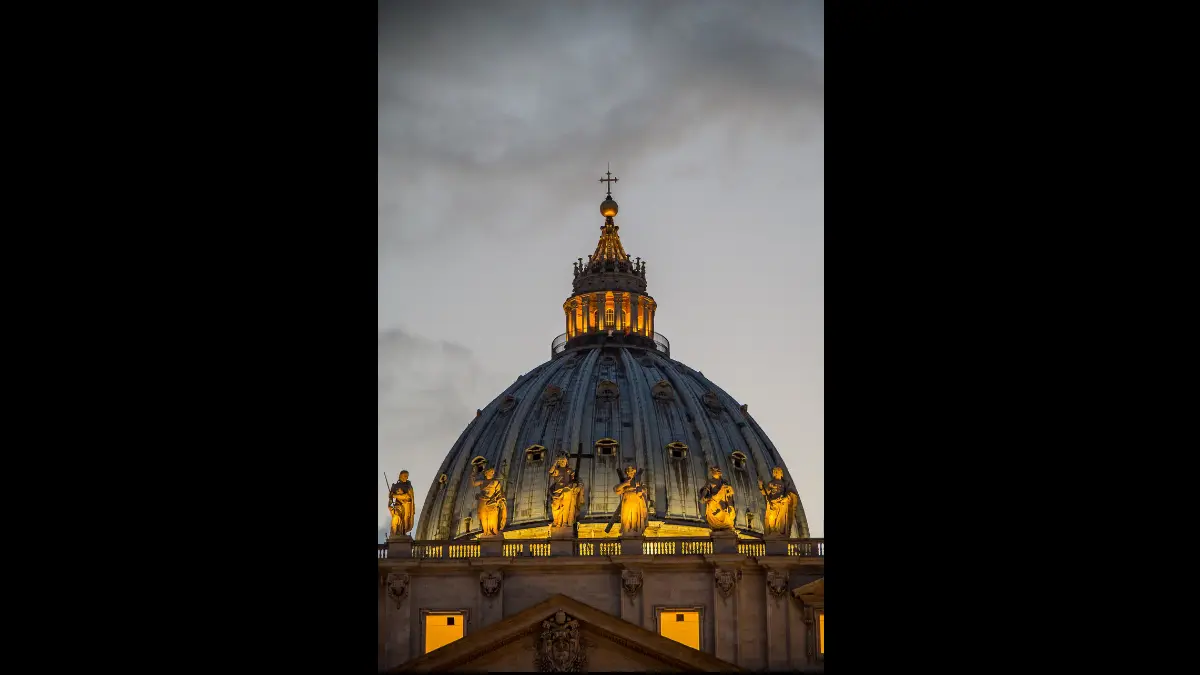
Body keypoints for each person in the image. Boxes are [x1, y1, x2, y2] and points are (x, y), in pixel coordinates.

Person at [759, 466, 799, 536]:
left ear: (781, 473)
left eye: (777, 472)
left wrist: (786, 498)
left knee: (781, 520)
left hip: (782, 503)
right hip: (772, 503)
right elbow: (765, 492)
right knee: (772, 519)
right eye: (775, 472)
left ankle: (778, 532)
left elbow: (790, 494)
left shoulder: (785, 484)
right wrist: (761, 486)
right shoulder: (771, 483)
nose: (776, 473)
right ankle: (773, 531)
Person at [548, 453, 584, 528]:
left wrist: (579, 485)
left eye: (564, 461)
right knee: (556, 506)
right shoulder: (557, 470)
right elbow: (551, 472)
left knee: (567, 507)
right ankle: (557, 521)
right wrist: (555, 463)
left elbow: (576, 479)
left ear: (566, 462)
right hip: (558, 491)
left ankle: (565, 522)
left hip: (568, 490)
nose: (562, 462)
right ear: (558, 462)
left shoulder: (569, 470)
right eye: (561, 461)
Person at [699, 466, 737, 531]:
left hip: (722, 503)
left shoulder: (724, 483)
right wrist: (703, 497)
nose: (714, 473)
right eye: (714, 471)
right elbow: (705, 491)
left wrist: (730, 506)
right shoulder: (710, 482)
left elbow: (729, 496)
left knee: (725, 515)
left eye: (717, 471)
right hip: (714, 502)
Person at [473, 467, 507, 536]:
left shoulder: (496, 482)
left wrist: (498, 499)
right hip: (483, 502)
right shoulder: (482, 482)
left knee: (493, 518)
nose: (493, 473)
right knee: (484, 518)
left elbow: (499, 493)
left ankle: (493, 532)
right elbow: (474, 483)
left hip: (492, 502)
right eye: (491, 471)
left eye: (493, 472)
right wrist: (472, 476)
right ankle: (486, 532)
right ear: (486, 473)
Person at [613, 465, 648, 535]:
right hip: (627, 501)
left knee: (636, 518)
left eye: (632, 472)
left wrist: (640, 489)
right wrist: (624, 484)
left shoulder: (638, 482)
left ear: (634, 473)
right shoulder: (624, 482)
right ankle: (626, 531)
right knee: (626, 517)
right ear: (626, 473)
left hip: (636, 502)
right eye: (629, 472)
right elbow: (616, 489)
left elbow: (644, 489)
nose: (630, 474)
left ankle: (635, 531)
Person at [388, 470, 416, 537]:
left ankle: (402, 533)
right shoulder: (395, 486)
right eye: (404, 476)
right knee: (398, 519)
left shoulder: (409, 486)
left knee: (406, 520)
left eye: (407, 476)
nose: (406, 478)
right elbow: (390, 499)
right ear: (400, 476)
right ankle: (398, 533)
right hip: (399, 506)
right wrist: (390, 503)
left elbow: (409, 497)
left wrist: (395, 495)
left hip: (407, 506)